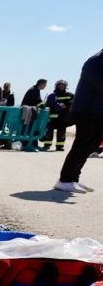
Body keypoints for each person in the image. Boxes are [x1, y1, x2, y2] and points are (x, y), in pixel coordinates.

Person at [54, 49, 103, 193]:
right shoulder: (96, 61)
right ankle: (65, 180)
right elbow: (99, 83)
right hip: (88, 109)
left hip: (98, 110)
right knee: (82, 144)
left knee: (90, 145)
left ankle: (74, 178)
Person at [44, 79, 74, 151]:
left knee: (61, 132)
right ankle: (47, 145)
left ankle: (59, 146)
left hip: (63, 117)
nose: (62, 86)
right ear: (57, 86)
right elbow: (47, 104)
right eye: (60, 85)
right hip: (52, 117)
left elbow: (74, 103)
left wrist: (66, 105)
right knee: (49, 132)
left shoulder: (69, 95)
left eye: (64, 85)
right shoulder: (52, 95)